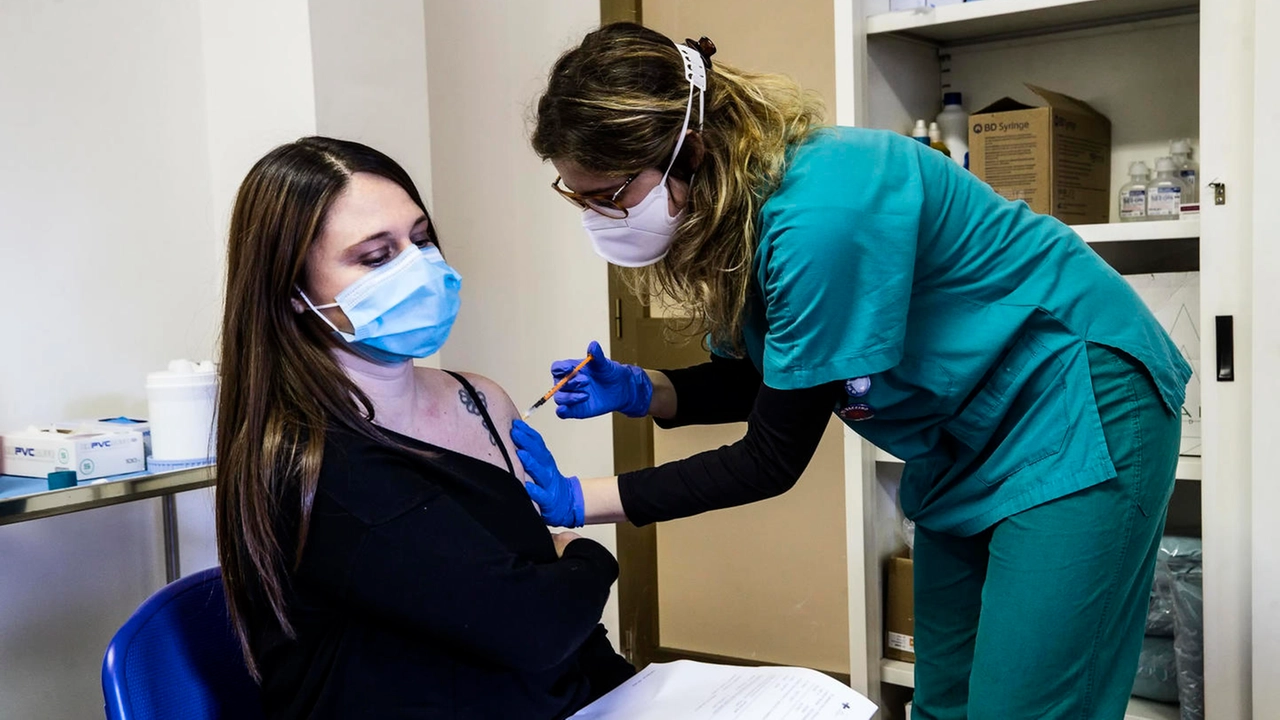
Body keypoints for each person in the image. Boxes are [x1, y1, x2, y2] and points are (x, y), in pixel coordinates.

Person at [510, 23, 1192, 720]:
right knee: (943, 702)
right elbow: (781, 375)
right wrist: (649, 389)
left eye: (609, 194)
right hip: (966, 432)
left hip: (1074, 401)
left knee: (1025, 708)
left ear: (688, 149)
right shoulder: (740, 212)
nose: (599, 217)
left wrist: (579, 498)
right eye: (579, 196)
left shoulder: (819, 212)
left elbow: (771, 457)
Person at [215, 136, 633, 719]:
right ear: (292, 293)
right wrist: (589, 551)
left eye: (420, 239)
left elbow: (553, 607)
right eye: (376, 257)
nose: (419, 269)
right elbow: (533, 623)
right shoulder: (317, 464)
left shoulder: (478, 398)